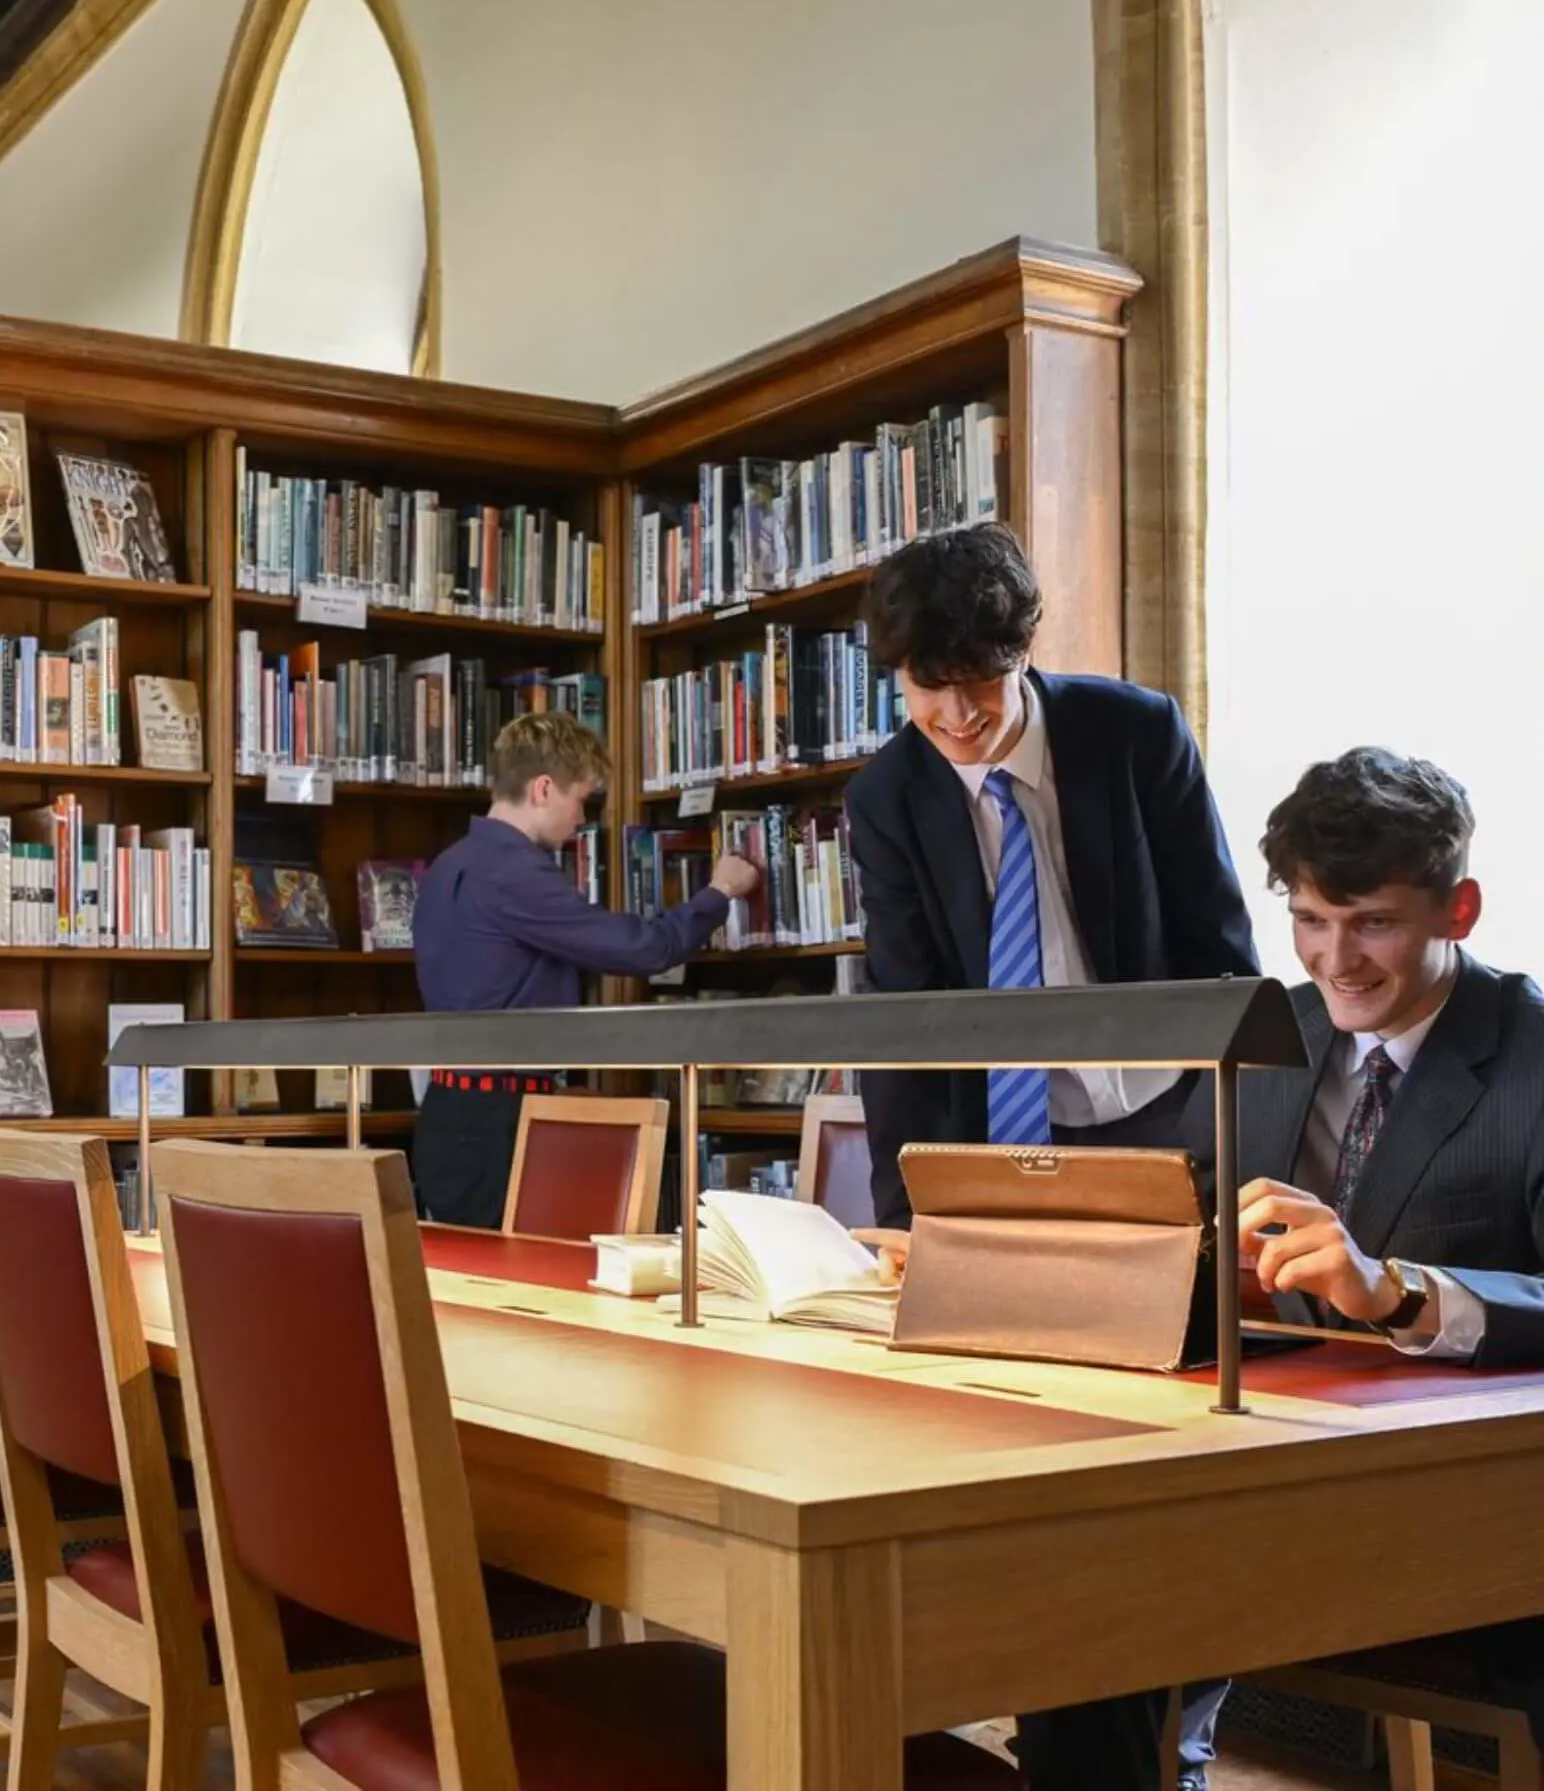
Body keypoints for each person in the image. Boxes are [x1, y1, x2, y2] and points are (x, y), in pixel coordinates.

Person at [843, 524, 1259, 1791]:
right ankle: (1066, 1718)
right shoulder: (888, 793)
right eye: (929, 691)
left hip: (1157, 1123)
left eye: (982, 684)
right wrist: (905, 1198)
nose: (959, 717)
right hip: (1000, 1141)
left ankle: (1168, 1729)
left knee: (1176, 1442)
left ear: (1025, 655)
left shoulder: (1133, 732)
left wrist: (1231, 1137)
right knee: (1022, 1445)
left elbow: (1220, 941)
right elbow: (904, 1009)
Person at [1234, 747, 1544, 1744]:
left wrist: (1399, 1292)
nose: (1334, 960)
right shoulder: (1267, 1032)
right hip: (1255, 1466)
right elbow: (1180, 1214)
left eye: (1373, 924)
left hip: (1463, 1509)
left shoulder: (1532, 1055)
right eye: (1310, 922)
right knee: (1075, 1621)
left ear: (1460, 911)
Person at [410, 712, 759, 1229]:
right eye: (581, 799)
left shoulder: (446, 866)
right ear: (544, 789)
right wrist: (719, 893)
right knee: (520, 1284)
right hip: (496, 1125)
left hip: (451, 1113)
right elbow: (641, 949)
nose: (581, 820)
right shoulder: (512, 871)